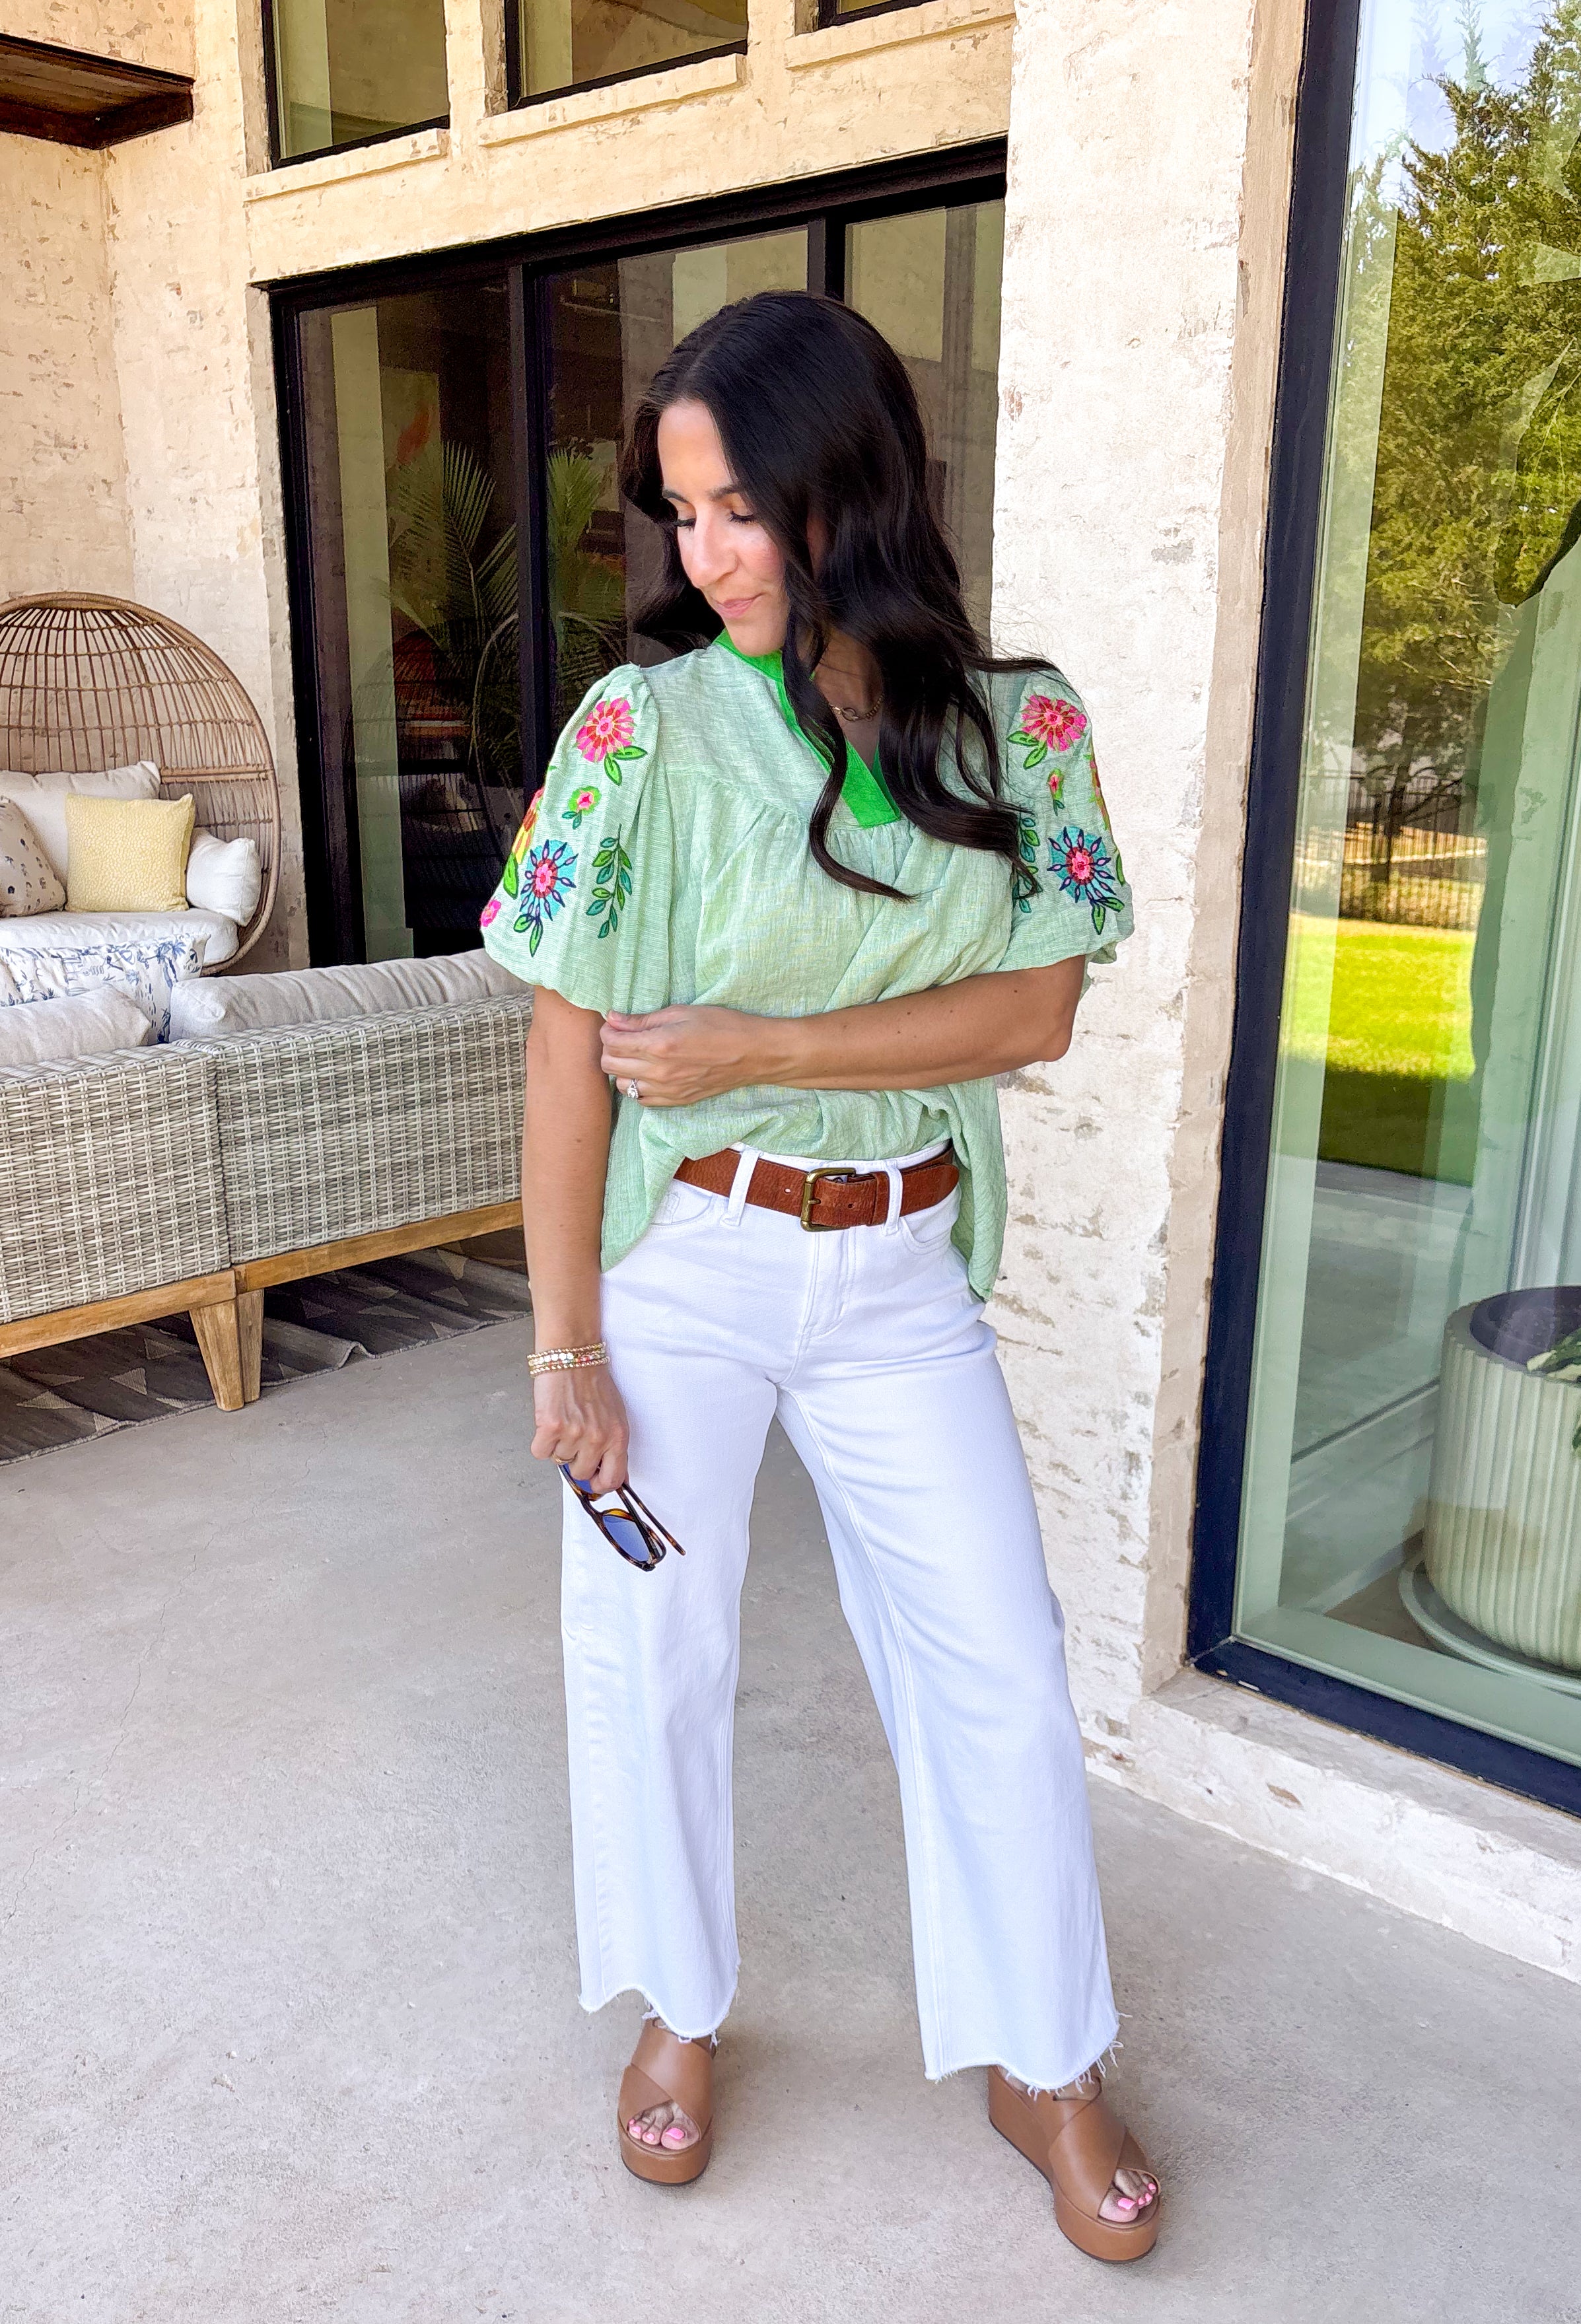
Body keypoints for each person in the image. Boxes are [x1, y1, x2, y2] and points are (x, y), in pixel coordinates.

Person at [479, 290, 1160, 2262]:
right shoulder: (642, 726)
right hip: (682, 1271)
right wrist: (564, 1345)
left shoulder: (1019, 722)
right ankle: (683, 2012)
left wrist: (752, 1046)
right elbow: (564, 1043)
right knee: (653, 1653)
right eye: (678, 517)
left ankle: (1040, 2053)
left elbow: (1030, 1011)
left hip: (898, 1276)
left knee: (1001, 1677)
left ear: (844, 487)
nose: (704, 556)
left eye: (738, 511)